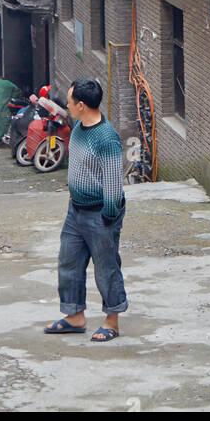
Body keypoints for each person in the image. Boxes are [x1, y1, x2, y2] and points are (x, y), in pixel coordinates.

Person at [44, 78, 127, 343]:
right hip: (76, 211)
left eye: (69, 102)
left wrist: (108, 218)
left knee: (106, 268)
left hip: (100, 213)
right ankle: (74, 316)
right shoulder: (79, 127)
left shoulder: (106, 139)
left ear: (81, 105)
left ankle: (111, 320)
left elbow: (114, 184)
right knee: (68, 263)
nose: (66, 105)